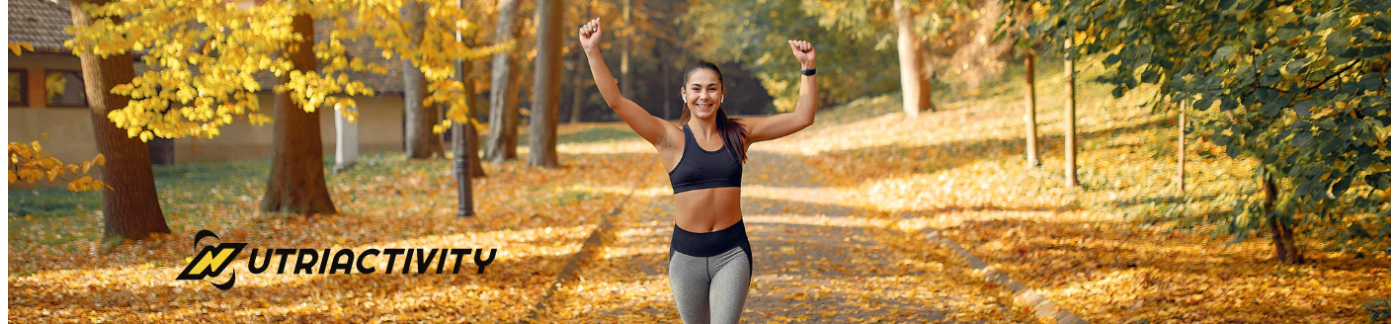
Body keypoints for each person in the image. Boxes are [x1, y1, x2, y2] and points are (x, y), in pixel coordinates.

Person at [577, 18, 819, 324]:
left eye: (711, 89)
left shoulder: (739, 133)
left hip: (732, 254)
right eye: (696, 89)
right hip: (686, 259)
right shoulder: (669, 139)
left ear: (722, 94)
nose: (703, 96)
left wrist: (807, 69)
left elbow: (802, 117)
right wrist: (591, 50)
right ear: (684, 94)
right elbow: (616, 102)